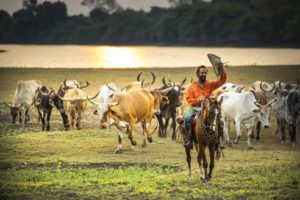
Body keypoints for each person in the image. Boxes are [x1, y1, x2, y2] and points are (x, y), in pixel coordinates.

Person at [182, 64, 227, 150]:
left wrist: (222, 69)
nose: (203, 74)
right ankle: (189, 141)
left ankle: (218, 142)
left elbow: (221, 81)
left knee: (221, 121)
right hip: (196, 108)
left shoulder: (210, 84)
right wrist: (199, 99)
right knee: (187, 118)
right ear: (198, 73)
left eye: (205, 72)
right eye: (202, 72)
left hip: (208, 107)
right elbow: (188, 99)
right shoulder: (192, 86)